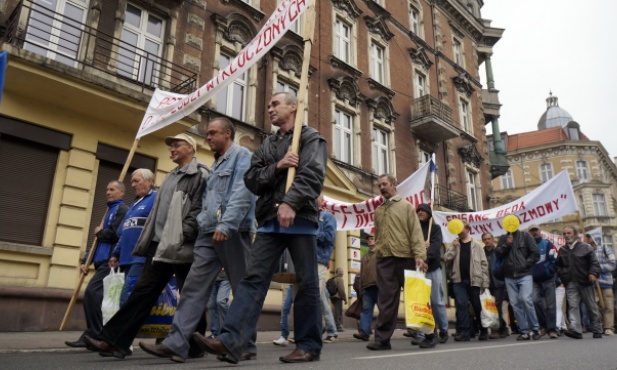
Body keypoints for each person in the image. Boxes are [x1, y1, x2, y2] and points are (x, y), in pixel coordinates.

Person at [192, 91, 327, 363]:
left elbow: (313, 175)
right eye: (268, 104)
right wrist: (278, 166)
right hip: (268, 221)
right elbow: (253, 180)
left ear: (293, 107)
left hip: (300, 219)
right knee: (253, 279)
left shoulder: (310, 137)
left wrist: (290, 202)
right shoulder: (266, 145)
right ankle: (232, 340)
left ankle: (308, 345)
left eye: (275, 103)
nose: (269, 108)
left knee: (307, 282)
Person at [138, 118, 257, 363]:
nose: (208, 137)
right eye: (207, 134)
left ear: (227, 133)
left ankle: (245, 344)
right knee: (192, 287)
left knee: (241, 287)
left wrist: (227, 224)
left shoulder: (241, 156)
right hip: (207, 233)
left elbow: (243, 193)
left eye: (213, 133)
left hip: (232, 232)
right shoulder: (214, 165)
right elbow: (207, 200)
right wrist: (204, 221)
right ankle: (176, 343)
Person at [84, 133, 209, 359]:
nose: (171, 149)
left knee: (190, 294)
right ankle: (115, 341)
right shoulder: (170, 176)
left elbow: (198, 209)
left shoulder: (200, 174)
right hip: (158, 246)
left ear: (190, 147)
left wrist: (182, 235)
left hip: (181, 245)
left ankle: (196, 345)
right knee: (142, 292)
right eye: (170, 146)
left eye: (176, 145)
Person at [366, 174, 427, 351]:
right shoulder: (378, 210)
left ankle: (430, 334)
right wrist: (378, 251)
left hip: (406, 257)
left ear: (394, 184)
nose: (382, 187)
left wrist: (420, 256)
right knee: (385, 300)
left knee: (416, 297)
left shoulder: (406, 206)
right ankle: (382, 340)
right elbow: (378, 235)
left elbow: (415, 232)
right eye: (380, 185)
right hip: (385, 260)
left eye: (385, 184)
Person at [65, 181, 127, 349]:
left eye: (112, 189)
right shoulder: (107, 211)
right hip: (100, 263)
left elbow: (115, 235)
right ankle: (97, 336)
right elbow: (97, 242)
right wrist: (87, 261)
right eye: (106, 189)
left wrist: (99, 232)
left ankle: (94, 334)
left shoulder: (122, 210)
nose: (108, 192)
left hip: (111, 262)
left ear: (121, 192)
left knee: (92, 293)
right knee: (101, 299)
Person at [109, 169, 156, 307]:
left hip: (141, 259)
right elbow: (123, 232)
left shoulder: (156, 198)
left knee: (127, 298)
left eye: (137, 181)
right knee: (124, 298)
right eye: (132, 182)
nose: (133, 185)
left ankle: (125, 328)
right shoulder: (133, 205)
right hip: (126, 260)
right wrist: (115, 253)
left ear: (149, 181)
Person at [495, 216, 540, 341]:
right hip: (509, 276)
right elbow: (498, 253)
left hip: (525, 274)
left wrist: (525, 264)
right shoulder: (503, 238)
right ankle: (524, 331)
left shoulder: (526, 237)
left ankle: (535, 328)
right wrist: (506, 245)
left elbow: (535, 254)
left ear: (518, 223)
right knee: (515, 304)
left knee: (525, 299)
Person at [445, 222, 489, 342]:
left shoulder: (477, 245)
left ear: (468, 229)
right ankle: (464, 332)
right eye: (457, 229)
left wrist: (485, 282)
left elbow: (484, 264)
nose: (459, 231)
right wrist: (453, 248)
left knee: (477, 306)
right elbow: (446, 259)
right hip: (458, 281)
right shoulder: (454, 244)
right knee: (462, 305)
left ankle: (483, 330)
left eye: (461, 228)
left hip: (474, 280)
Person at [412, 203, 448, 348]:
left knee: (436, 301)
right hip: (418, 271)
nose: (420, 212)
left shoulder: (435, 228)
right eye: (418, 210)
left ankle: (444, 331)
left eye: (423, 210)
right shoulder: (414, 230)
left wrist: (425, 258)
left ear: (429, 213)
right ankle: (422, 333)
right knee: (421, 303)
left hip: (432, 269)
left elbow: (435, 247)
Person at [556, 226, 602, 339]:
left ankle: (596, 329)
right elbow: (558, 265)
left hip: (585, 281)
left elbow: (594, 263)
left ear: (575, 234)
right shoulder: (562, 250)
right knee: (573, 306)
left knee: (591, 306)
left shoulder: (586, 247)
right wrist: (563, 275)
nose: (566, 235)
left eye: (569, 233)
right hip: (570, 282)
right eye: (565, 233)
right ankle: (576, 330)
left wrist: (593, 274)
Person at [316, 197, 339, 342]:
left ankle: (317, 329)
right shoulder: (307, 216)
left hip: (319, 260)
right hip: (305, 261)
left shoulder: (327, 217)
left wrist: (312, 233)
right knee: (319, 297)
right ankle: (330, 329)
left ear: (321, 201)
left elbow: (330, 237)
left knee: (315, 295)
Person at [529, 225, 558, 339]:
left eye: (535, 230)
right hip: (534, 280)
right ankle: (543, 326)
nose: (534, 233)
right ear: (529, 233)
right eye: (532, 231)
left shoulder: (547, 244)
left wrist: (550, 271)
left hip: (548, 279)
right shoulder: (527, 247)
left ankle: (552, 329)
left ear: (539, 231)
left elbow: (555, 259)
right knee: (535, 301)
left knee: (551, 305)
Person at [586, 233, 616, 336]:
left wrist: (597, 270)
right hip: (593, 283)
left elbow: (613, 264)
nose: (588, 239)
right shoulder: (588, 251)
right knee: (595, 305)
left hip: (606, 282)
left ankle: (608, 327)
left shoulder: (605, 248)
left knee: (608, 305)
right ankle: (600, 325)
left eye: (589, 237)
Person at [482, 232, 509, 339]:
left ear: (493, 239)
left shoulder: (497, 251)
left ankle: (496, 329)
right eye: (485, 239)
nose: (487, 241)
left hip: (498, 282)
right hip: (487, 283)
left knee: (497, 306)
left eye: (489, 238)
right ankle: (503, 328)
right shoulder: (482, 252)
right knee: (490, 307)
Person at [353, 233, 378, 341]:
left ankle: (383, 333)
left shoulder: (381, 253)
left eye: (372, 238)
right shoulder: (364, 257)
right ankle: (364, 332)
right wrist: (361, 289)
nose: (370, 240)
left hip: (379, 286)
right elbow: (362, 273)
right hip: (367, 287)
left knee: (384, 310)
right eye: (368, 239)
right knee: (366, 310)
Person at [208, 269, 231, 338]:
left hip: (225, 277)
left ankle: (231, 328)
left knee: (221, 301)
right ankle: (215, 333)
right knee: (211, 305)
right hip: (212, 278)